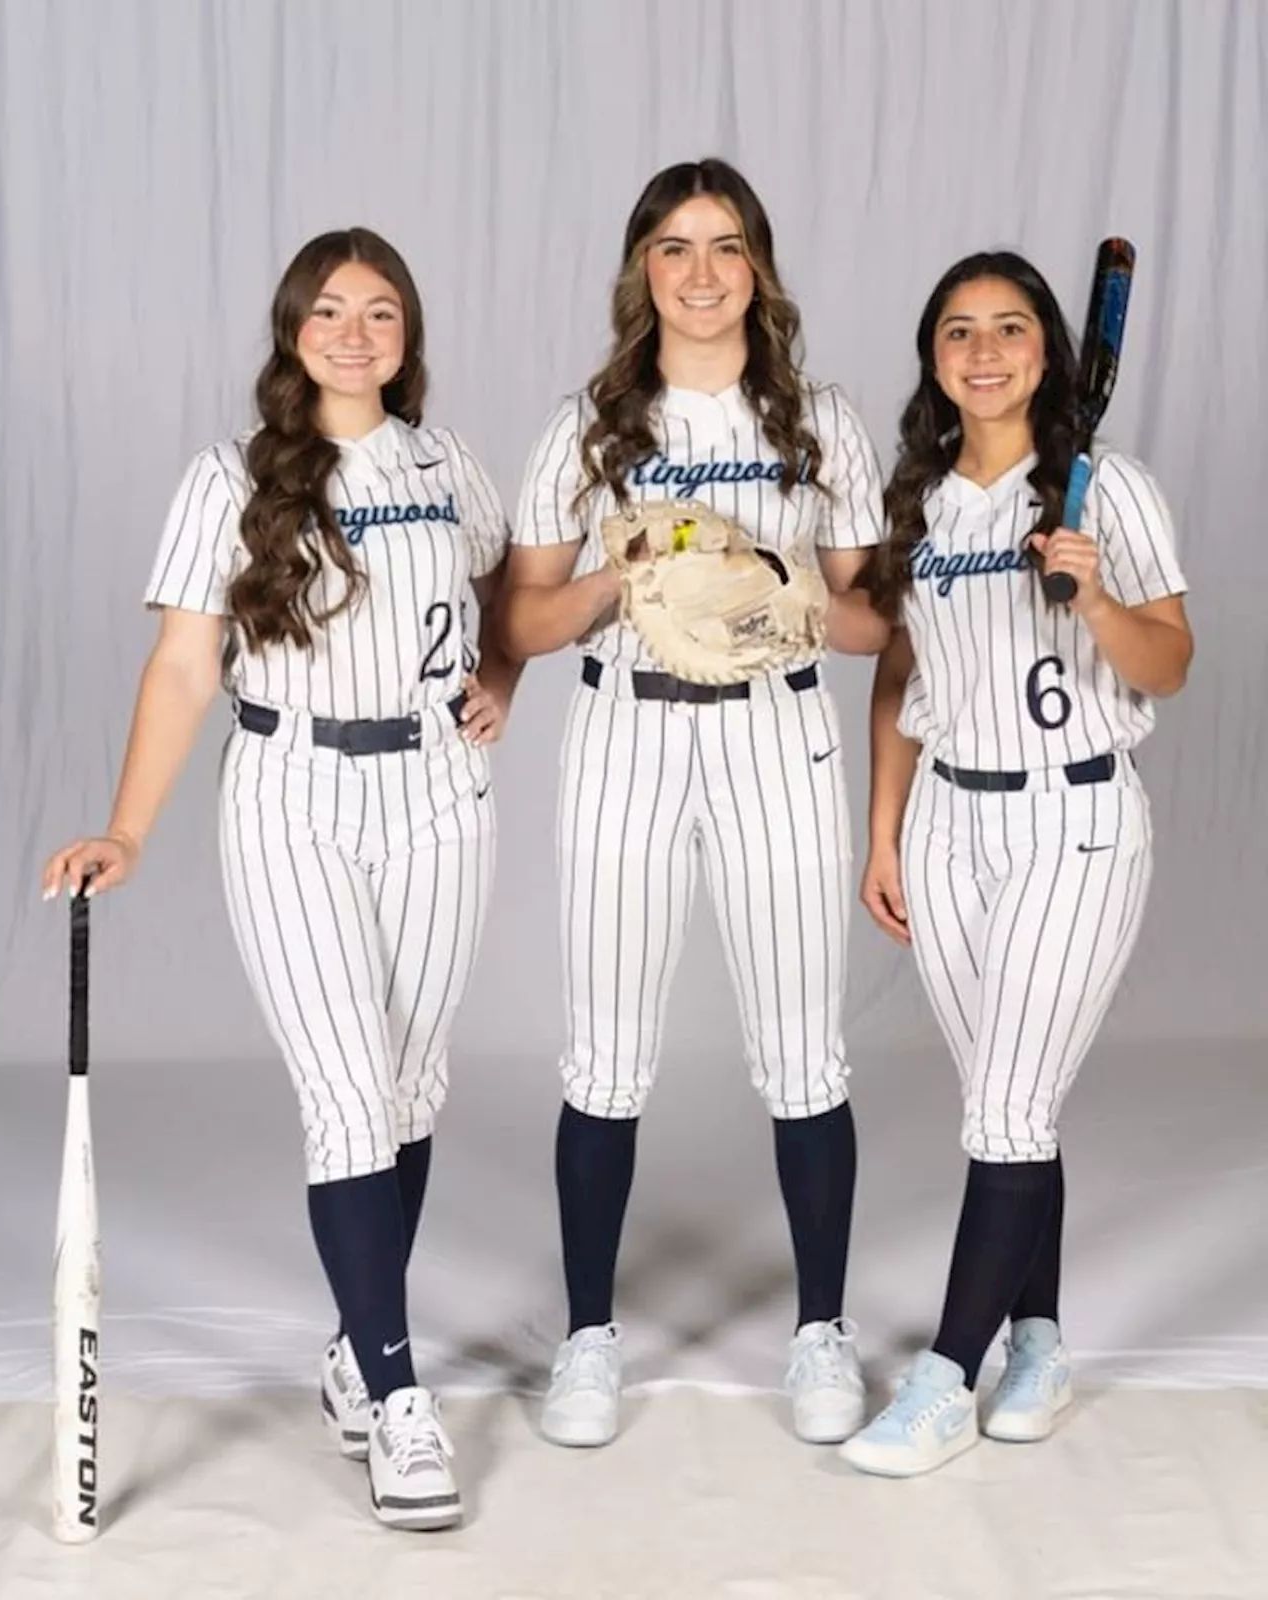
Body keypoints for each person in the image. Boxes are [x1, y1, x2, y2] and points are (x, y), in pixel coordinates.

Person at [41, 227, 519, 1530]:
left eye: (379, 312)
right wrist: (128, 829)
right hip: (292, 795)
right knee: (350, 1095)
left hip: (435, 792)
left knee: (411, 1084)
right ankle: (398, 1392)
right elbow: (186, 666)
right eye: (327, 310)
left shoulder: (446, 462)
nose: (352, 333)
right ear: (290, 328)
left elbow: (506, 591)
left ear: (408, 332)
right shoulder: (232, 474)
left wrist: (504, 682)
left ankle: (353, 1352)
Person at [501, 158, 887, 1449]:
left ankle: (821, 1333)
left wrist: (760, 575)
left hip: (774, 732)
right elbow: (527, 619)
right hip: (627, 730)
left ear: (760, 268)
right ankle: (590, 1339)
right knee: (606, 1054)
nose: (704, 272)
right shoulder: (590, 426)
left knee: (804, 1050)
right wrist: (637, 568)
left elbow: (879, 620)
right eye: (676, 247)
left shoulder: (822, 420)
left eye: (727, 246)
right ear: (643, 271)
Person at [839, 250, 1193, 1478]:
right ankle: (1036, 1340)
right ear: (934, 360)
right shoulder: (919, 503)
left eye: (1006, 329)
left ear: (1046, 349)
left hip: (1073, 823)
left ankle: (942, 1373)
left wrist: (1093, 601)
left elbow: (1169, 663)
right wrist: (880, 832)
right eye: (956, 332)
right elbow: (898, 674)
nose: (982, 352)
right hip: (948, 823)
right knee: (1008, 1100)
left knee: (1002, 1106)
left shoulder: (1108, 491)